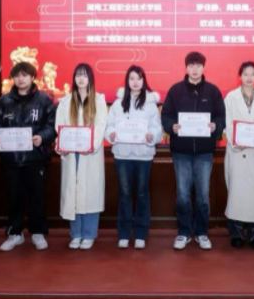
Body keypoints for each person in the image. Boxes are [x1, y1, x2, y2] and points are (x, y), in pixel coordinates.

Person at [161, 51, 226, 251]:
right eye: (191, 65)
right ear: (186, 67)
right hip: (181, 152)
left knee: (203, 196)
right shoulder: (176, 90)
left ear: (203, 67)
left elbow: (221, 116)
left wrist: (216, 126)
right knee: (182, 195)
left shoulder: (213, 91)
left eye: (198, 65)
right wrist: (172, 126)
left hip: (204, 153)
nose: (195, 69)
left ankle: (201, 233)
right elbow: (166, 115)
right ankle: (183, 232)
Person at [0, 62, 56, 251]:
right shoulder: (3, 101)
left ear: (32, 77)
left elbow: (52, 126)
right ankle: (15, 233)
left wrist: (42, 137)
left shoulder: (44, 100)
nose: (20, 79)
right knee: (14, 197)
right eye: (17, 76)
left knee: (37, 197)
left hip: (36, 158)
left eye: (25, 75)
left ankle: (38, 232)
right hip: (11, 160)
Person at [105, 65, 163, 249]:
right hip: (122, 154)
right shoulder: (118, 104)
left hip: (143, 155)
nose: (135, 82)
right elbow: (109, 125)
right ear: (127, 81)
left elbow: (157, 128)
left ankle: (140, 234)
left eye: (138, 78)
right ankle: (123, 233)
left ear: (143, 80)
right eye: (132, 78)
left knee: (142, 194)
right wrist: (111, 134)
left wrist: (152, 136)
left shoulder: (151, 104)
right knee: (124, 194)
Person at [55, 63, 108, 250]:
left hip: (90, 154)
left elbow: (100, 126)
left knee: (90, 194)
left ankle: (89, 234)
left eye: (84, 75)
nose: (81, 78)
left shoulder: (99, 101)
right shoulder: (65, 101)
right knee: (73, 193)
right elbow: (59, 126)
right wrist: (62, 144)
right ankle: (75, 233)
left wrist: (91, 146)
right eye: (78, 75)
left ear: (90, 78)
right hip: (71, 154)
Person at [224, 61, 254, 250]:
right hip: (238, 153)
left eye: (252, 74)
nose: (249, 78)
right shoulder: (231, 97)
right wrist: (236, 141)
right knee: (237, 194)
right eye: (245, 74)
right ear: (240, 76)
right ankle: (236, 233)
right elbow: (228, 123)